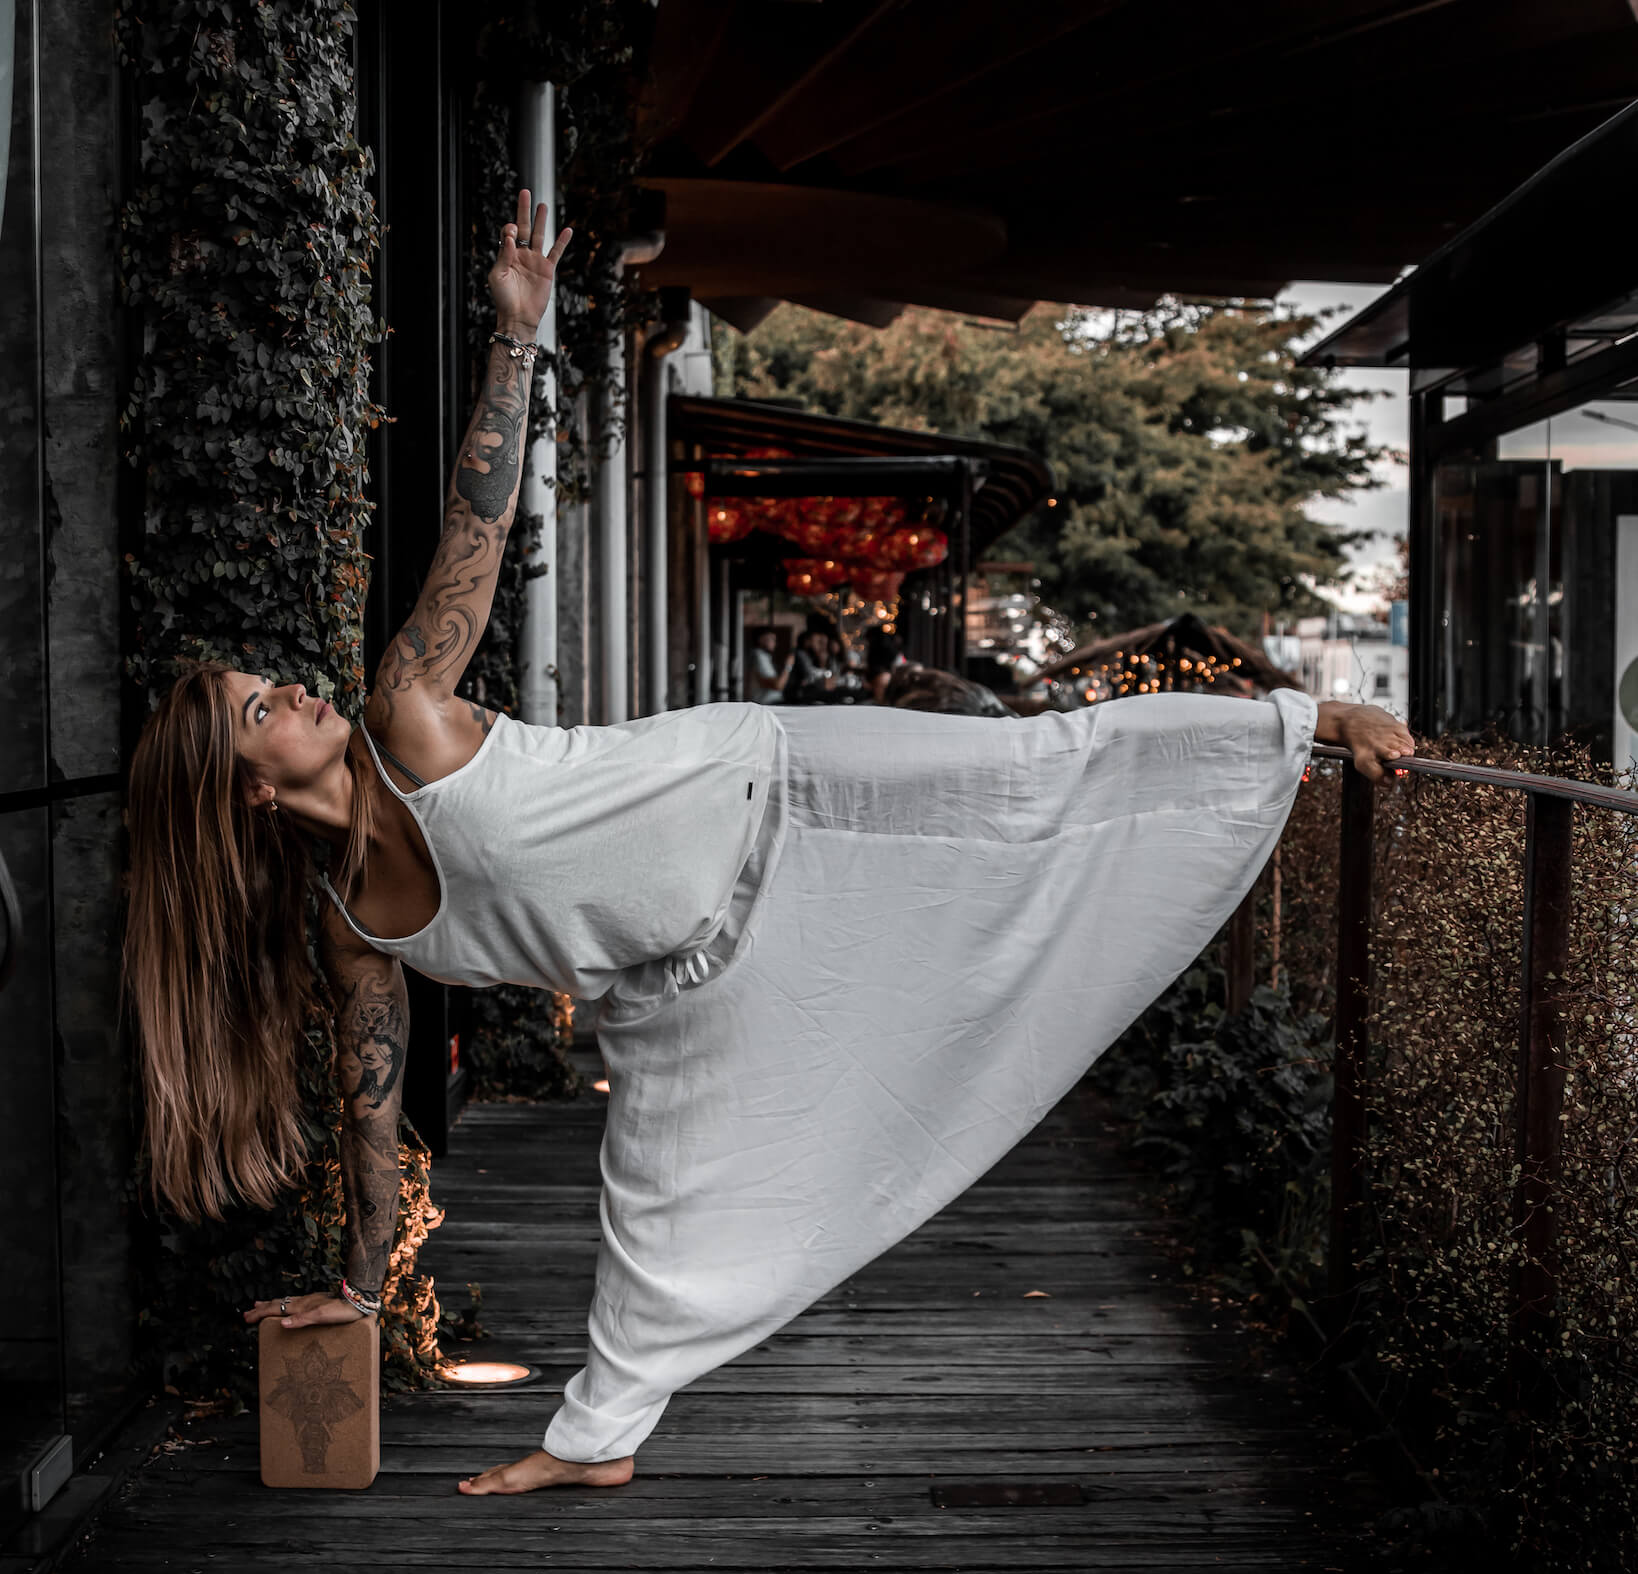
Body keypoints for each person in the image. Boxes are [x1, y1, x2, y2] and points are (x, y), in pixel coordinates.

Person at [121, 191, 1418, 1501]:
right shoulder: (355, 927)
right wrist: (356, 1277)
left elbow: (479, 526)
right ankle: (595, 1439)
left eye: (271, 681)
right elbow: (371, 1109)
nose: (289, 690)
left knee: (1031, 763)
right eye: (258, 709)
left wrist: (515, 338)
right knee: (653, 1219)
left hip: (778, 785)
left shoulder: (407, 711)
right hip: (685, 979)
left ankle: (1298, 729)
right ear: (240, 794)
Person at [749, 628, 792, 705]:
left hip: (769, 703)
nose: (774, 643)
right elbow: (778, 685)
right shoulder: (759, 656)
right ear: (761, 639)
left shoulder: (764, 656)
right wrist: (788, 666)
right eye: (771, 639)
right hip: (767, 704)